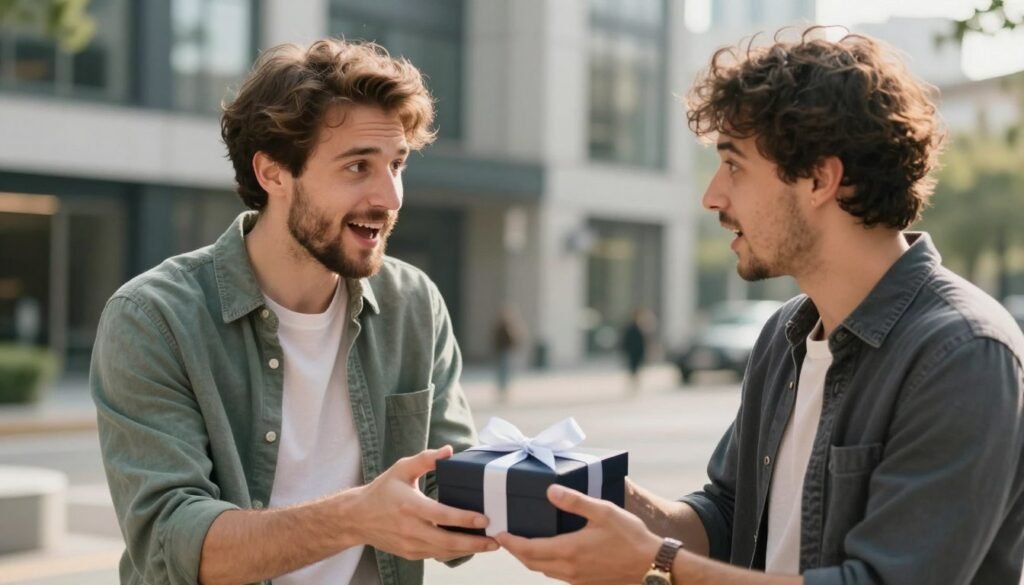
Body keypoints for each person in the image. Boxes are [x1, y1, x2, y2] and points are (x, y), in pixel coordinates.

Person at [498, 28, 1024, 585]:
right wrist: (618, 507)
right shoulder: (785, 333)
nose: (712, 197)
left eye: (735, 166)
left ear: (821, 178)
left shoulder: (963, 354)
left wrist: (658, 566)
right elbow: (728, 515)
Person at [90, 39, 496, 585]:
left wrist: (569, 491)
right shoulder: (153, 319)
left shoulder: (414, 305)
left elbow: (452, 498)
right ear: (273, 173)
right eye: (358, 166)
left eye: (396, 164)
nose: (391, 196)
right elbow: (173, 547)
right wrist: (356, 517)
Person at [493, 304, 526, 402]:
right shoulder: (503, 327)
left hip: (506, 352)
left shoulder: (509, 327)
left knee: (505, 372)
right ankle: (503, 390)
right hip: (503, 352)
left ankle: (504, 390)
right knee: (503, 372)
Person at [621, 306, 653, 393]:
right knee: (633, 369)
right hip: (633, 352)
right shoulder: (631, 327)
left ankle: (635, 384)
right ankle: (633, 384)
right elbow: (626, 340)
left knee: (636, 369)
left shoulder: (642, 326)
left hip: (638, 352)